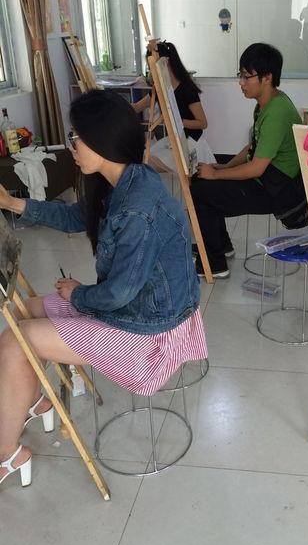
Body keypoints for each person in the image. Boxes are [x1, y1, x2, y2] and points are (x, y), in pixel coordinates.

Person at [0, 90, 206, 488]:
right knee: (29, 308)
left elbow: (117, 294)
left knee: (14, 342)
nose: (71, 146)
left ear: (103, 140)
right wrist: (14, 204)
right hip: (135, 309)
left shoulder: (138, 207)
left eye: (76, 137)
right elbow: (77, 217)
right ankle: (35, 399)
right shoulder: (122, 180)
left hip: (146, 332)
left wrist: (77, 294)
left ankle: (8, 453)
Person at [190, 43, 308, 279]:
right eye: (241, 75)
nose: (241, 83)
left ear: (267, 77)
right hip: (268, 176)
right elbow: (253, 147)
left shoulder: (276, 112)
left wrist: (216, 174)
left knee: (201, 191)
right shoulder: (268, 103)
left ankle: (215, 263)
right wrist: (224, 167)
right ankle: (220, 245)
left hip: (278, 191)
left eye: (247, 76)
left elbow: (256, 167)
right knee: (208, 170)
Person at [134, 41, 215, 169]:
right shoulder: (160, 89)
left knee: (148, 163)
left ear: (165, 63)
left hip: (191, 143)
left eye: (153, 67)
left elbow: (202, 123)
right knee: (143, 157)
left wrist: (176, 120)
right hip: (175, 142)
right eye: (150, 68)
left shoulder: (186, 89)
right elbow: (137, 107)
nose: (151, 72)